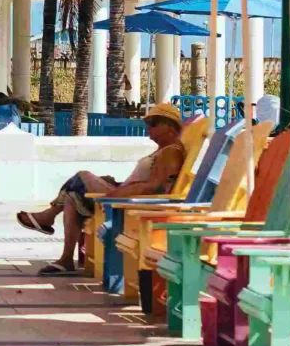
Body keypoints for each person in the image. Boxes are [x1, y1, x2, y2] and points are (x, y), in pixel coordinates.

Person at [16, 102, 189, 276]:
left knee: (82, 176)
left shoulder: (171, 152)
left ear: (169, 125)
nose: (148, 128)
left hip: (129, 203)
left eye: (153, 123)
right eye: (147, 124)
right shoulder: (162, 150)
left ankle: (48, 216)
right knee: (71, 197)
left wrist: (116, 193)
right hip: (123, 194)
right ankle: (66, 259)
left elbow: (155, 186)